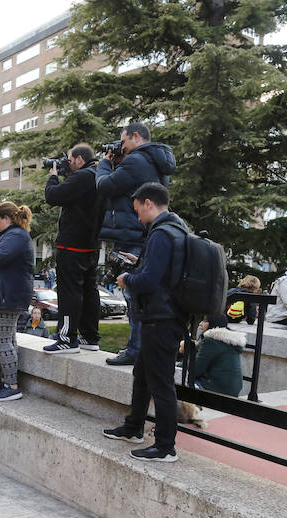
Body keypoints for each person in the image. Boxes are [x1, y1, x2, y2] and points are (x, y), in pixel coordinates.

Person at [102, 182, 186, 462]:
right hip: (163, 316)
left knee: (161, 383)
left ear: (149, 203)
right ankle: (133, 427)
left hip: (160, 319)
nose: (137, 217)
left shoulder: (162, 234)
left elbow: (149, 281)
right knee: (142, 375)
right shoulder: (178, 229)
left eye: (138, 210)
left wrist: (127, 279)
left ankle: (165, 447)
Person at [96, 122, 176, 366]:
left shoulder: (137, 161)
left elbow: (104, 186)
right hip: (143, 233)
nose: (121, 146)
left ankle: (135, 350)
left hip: (131, 236)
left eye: (123, 141)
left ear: (136, 136)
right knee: (138, 296)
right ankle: (138, 347)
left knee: (133, 296)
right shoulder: (154, 161)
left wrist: (104, 163)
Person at [43, 143, 103, 354]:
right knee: (89, 289)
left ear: (79, 159)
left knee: (70, 291)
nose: (66, 163)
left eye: (69, 160)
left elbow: (52, 196)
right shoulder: (99, 174)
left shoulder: (83, 176)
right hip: (91, 245)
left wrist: (53, 175)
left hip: (72, 244)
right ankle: (90, 336)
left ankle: (67, 338)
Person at [0, 201, 35, 402]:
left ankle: (11, 385)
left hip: (7, 297)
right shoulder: (13, 236)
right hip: (7, 296)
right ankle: (5, 380)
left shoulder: (17, 236)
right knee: (8, 340)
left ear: (6, 219)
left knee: (3, 342)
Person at [192, 315, 246, 397]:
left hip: (217, 389)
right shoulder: (229, 340)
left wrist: (186, 354)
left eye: (205, 321)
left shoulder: (211, 341)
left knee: (180, 378)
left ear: (213, 324)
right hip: (233, 389)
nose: (200, 324)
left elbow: (195, 370)